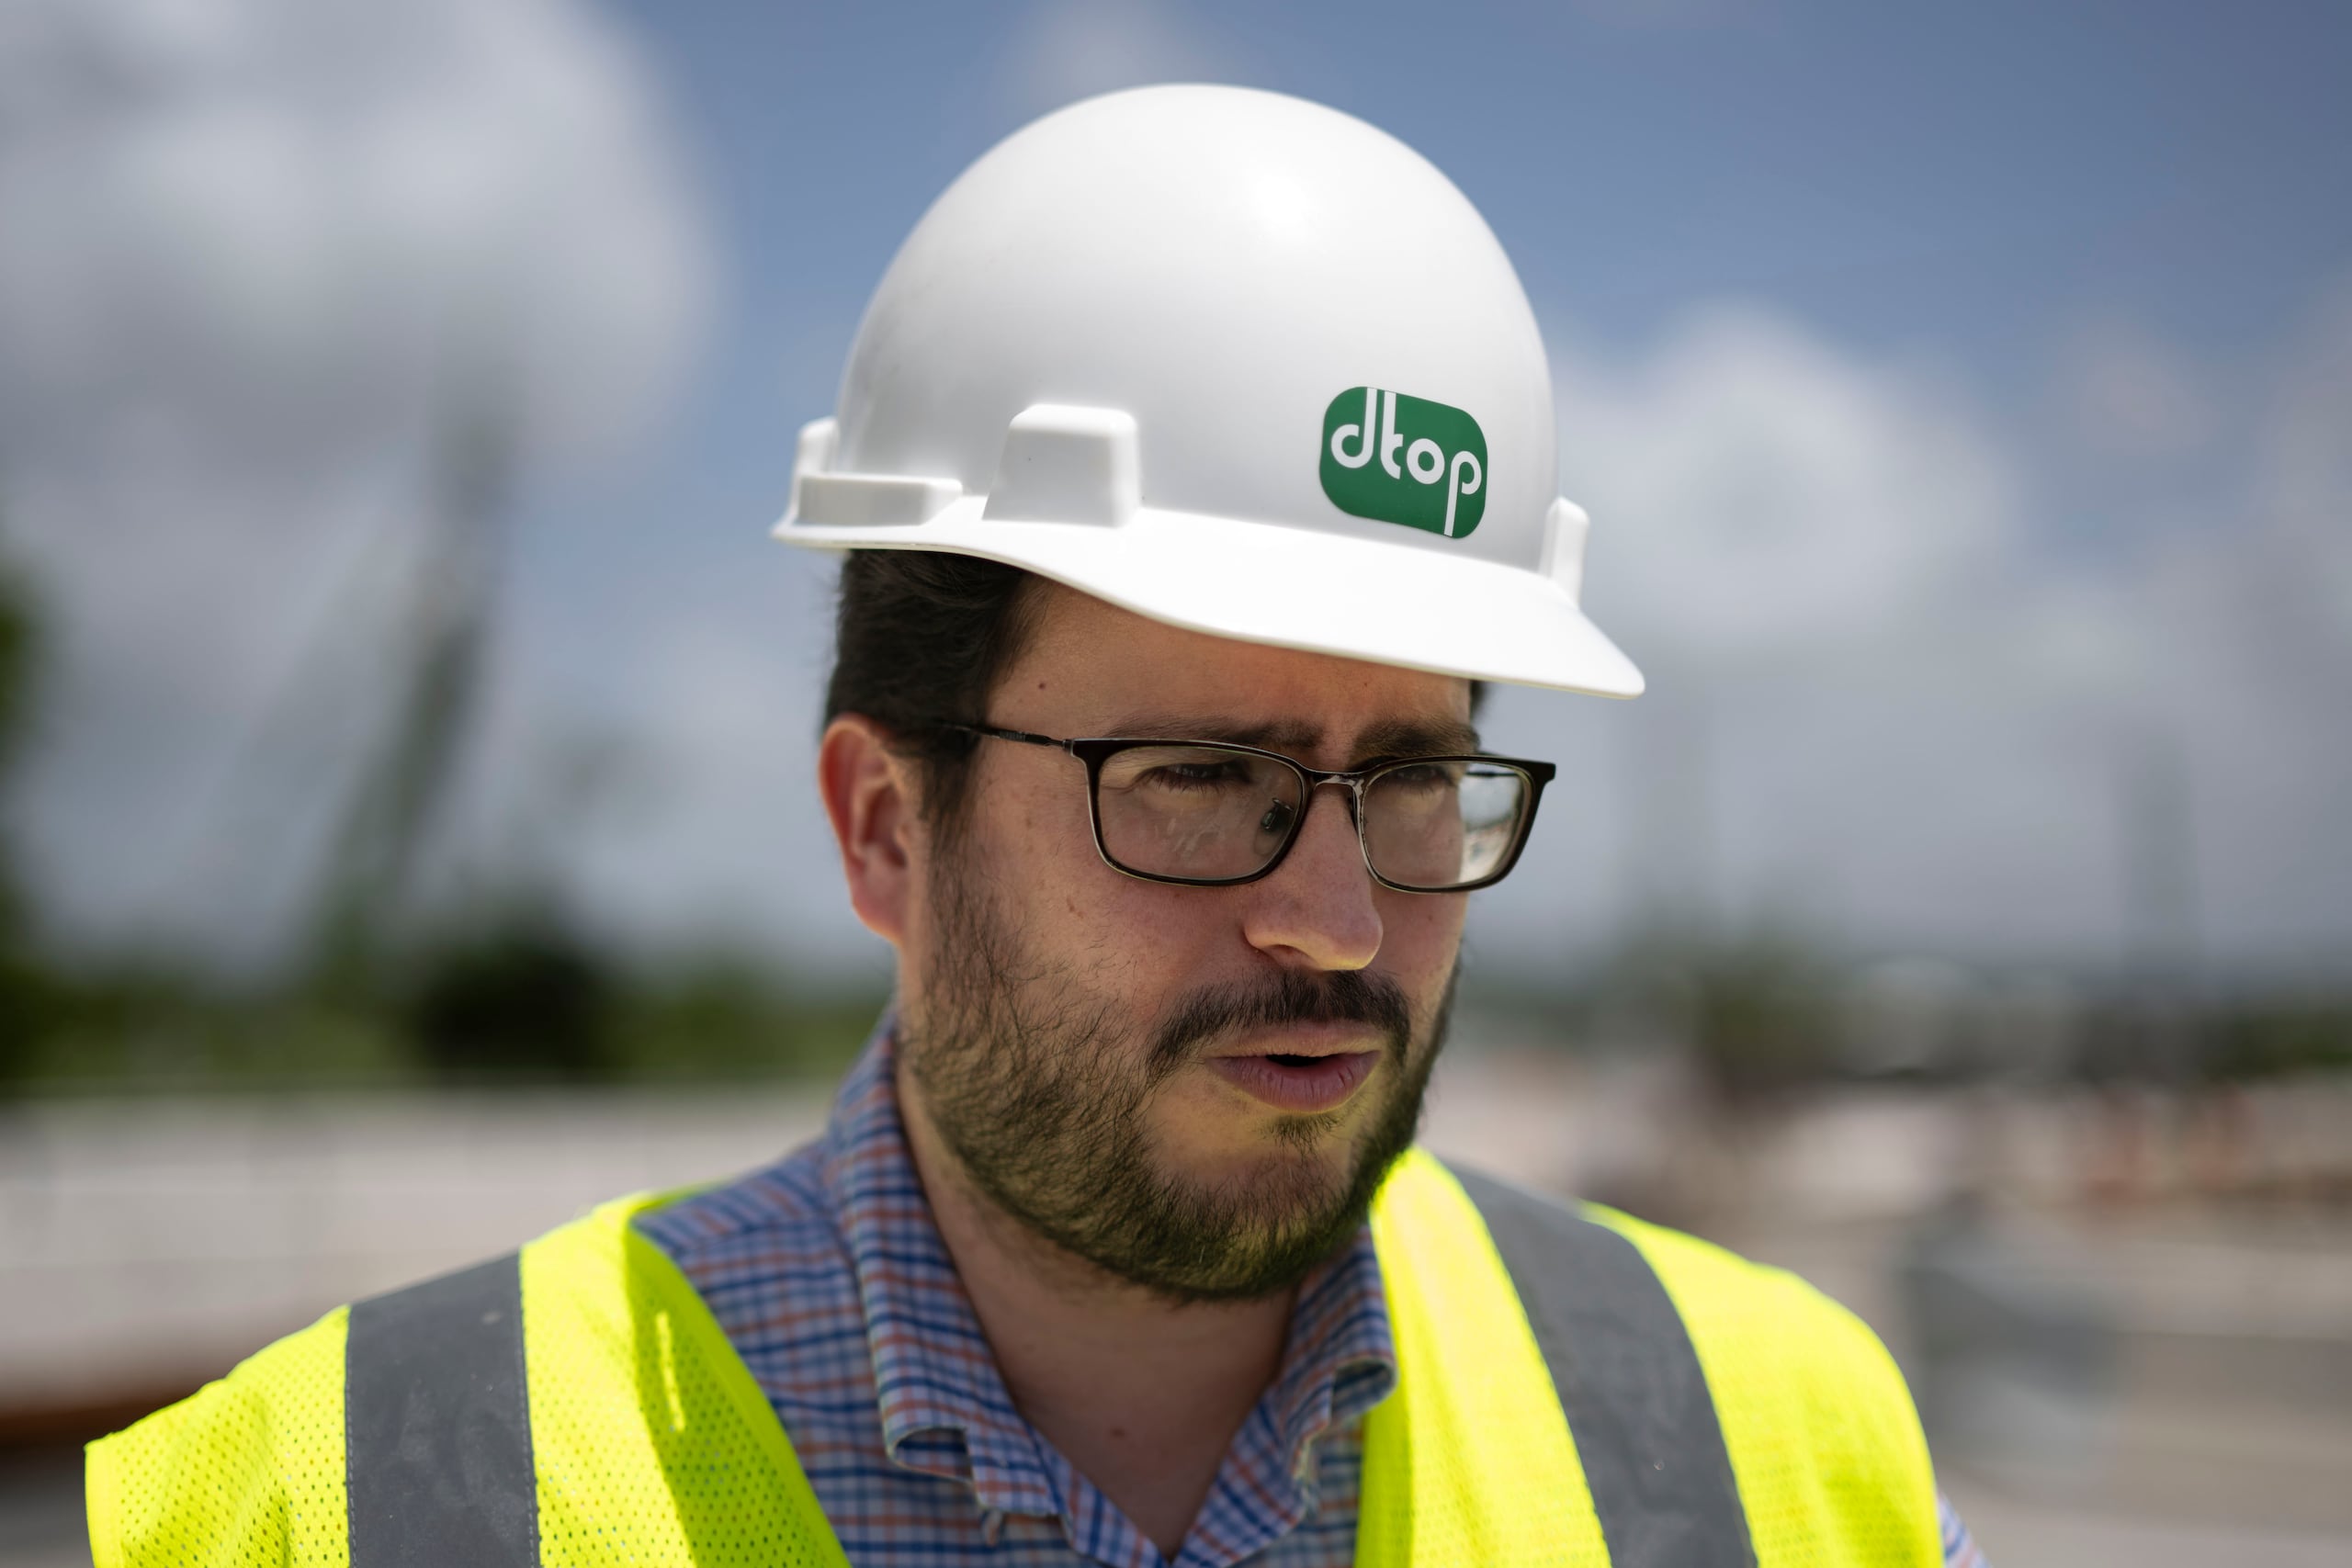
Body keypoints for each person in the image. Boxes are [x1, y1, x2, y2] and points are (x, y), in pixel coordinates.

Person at [87, 85, 1985, 1567]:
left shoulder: (1771, 1447)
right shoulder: (329, 1504)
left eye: (1408, 777)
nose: (1332, 915)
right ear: (883, 827)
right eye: (1197, 779)